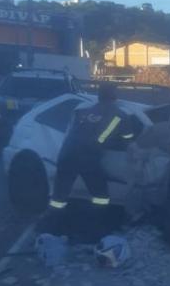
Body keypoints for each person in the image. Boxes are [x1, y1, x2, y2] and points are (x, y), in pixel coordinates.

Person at [46, 82, 138, 239]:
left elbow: (76, 132)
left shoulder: (84, 111)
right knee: (100, 196)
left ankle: (50, 228)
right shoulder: (120, 115)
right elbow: (129, 142)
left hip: (66, 154)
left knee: (59, 196)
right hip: (88, 157)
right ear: (114, 96)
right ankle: (95, 230)